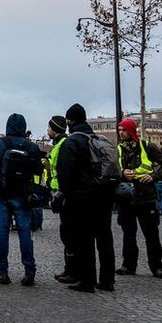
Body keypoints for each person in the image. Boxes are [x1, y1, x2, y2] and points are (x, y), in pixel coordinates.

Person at [56, 103, 115, 293]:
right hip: (104, 194)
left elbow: (66, 173)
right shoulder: (99, 139)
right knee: (105, 238)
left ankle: (87, 280)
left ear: (69, 121)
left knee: (84, 239)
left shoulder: (72, 142)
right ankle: (108, 280)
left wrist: (66, 195)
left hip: (82, 197)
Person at [0, 114, 41, 286]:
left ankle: (3, 271)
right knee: (25, 232)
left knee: (2, 231)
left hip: (1, 193)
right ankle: (29, 271)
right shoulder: (31, 147)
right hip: (22, 193)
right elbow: (38, 170)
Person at [114, 118, 162, 279]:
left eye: (123, 130)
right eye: (119, 130)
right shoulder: (118, 149)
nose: (121, 133)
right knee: (128, 234)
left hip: (146, 196)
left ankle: (157, 266)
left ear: (131, 131)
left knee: (152, 234)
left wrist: (153, 176)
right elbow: (113, 168)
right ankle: (128, 264)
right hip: (127, 197)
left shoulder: (147, 147)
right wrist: (122, 173)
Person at [45, 116, 76, 284]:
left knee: (68, 233)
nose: (47, 131)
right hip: (60, 192)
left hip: (63, 194)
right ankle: (70, 268)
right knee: (67, 232)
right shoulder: (60, 144)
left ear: (54, 128)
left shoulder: (62, 145)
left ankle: (71, 269)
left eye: (49, 128)